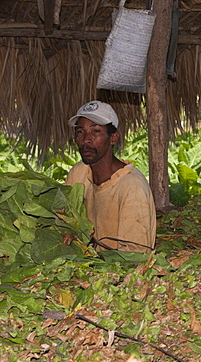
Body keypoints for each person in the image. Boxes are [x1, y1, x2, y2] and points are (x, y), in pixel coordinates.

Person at [65, 100, 157, 253]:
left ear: (113, 138)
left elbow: (135, 254)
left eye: (96, 131)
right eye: (80, 131)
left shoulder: (132, 185)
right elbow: (65, 217)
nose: (86, 139)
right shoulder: (79, 172)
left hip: (115, 270)